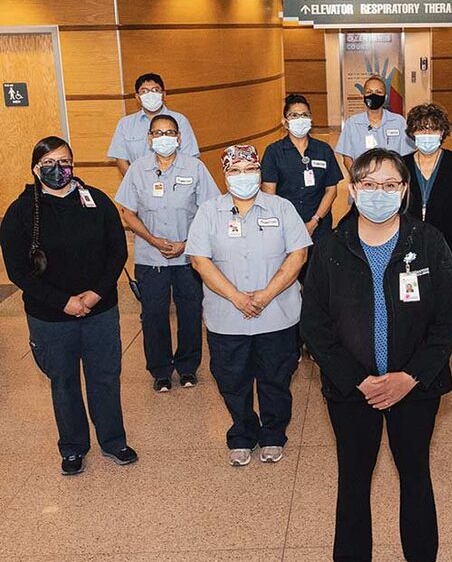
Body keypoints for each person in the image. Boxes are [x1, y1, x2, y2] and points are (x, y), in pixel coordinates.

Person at [300, 148, 452, 562]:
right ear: (352, 190)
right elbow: (315, 326)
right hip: (351, 390)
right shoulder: (332, 248)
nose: (380, 193)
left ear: (405, 190)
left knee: (415, 478)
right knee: (353, 484)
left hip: (415, 389)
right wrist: (357, 379)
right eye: (370, 185)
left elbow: (450, 316)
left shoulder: (427, 242)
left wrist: (410, 376)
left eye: (390, 185)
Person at [0, 136, 137, 475]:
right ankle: (73, 447)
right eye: (49, 164)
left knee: (105, 377)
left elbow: (117, 252)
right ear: (36, 169)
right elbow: (17, 270)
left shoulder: (97, 202)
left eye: (65, 162)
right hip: (50, 317)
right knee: (64, 382)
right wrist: (63, 302)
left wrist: (94, 295)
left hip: (99, 310)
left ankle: (113, 440)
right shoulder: (21, 212)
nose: (59, 170)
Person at [185, 145, 312, 466]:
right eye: (235, 170)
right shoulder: (209, 211)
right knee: (232, 379)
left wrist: (267, 294)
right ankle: (241, 432)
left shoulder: (281, 208)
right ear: (225, 175)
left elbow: (299, 254)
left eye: (249, 169)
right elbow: (200, 260)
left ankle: (273, 433)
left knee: (276, 377)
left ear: (259, 171)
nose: (243, 176)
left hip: (277, 314)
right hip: (227, 316)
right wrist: (237, 297)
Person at [115, 114, 220, 392]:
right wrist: (152, 239)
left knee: (190, 311)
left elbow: (209, 211)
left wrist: (186, 243)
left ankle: (187, 368)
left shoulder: (195, 167)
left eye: (170, 132)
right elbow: (127, 212)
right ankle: (160, 370)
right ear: (150, 139)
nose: (164, 138)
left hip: (189, 257)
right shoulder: (137, 170)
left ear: (179, 137)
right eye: (158, 133)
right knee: (153, 314)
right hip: (150, 257)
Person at [261, 94, 342, 279]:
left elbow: (331, 190)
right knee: (289, 277)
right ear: (285, 121)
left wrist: (314, 221)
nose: (300, 119)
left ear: (311, 118)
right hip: (286, 227)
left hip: (319, 226)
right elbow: (269, 194)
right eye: (294, 115)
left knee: (319, 277)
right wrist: (290, 225)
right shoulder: (274, 152)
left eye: (304, 115)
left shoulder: (323, 150)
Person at [402, 102, 452, 274]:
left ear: (442, 132)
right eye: (421, 129)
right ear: (412, 133)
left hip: (449, 241)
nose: (427, 134)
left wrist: (439, 235)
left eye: (433, 129)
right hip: (410, 241)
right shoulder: (402, 164)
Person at [108, 73, 200, 175]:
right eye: (145, 91)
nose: (150, 95)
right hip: (139, 185)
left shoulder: (180, 120)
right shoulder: (125, 124)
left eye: (155, 90)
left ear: (164, 95)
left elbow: (190, 157)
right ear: (138, 97)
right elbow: (121, 160)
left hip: (175, 184)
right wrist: (137, 183)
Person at [335, 75, 415, 173]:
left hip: (392, 180)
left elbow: (407, 156)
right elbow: (347, 159)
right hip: (362, 180)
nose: (374, 95)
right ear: (363, 96)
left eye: (378, 92)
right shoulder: (352, 124)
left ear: (385, 97)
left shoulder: (399, 122)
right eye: (369, 92)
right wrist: (359, 179)